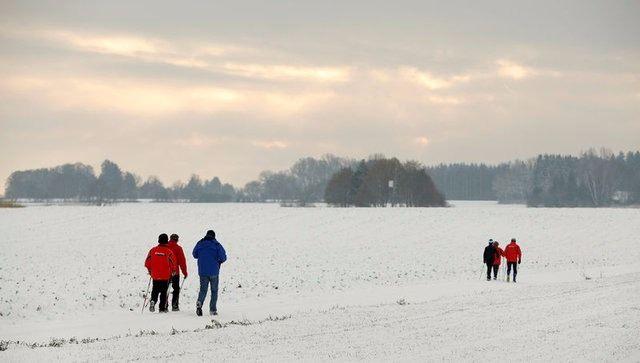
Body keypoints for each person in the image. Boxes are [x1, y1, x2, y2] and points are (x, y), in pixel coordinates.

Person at [193, 229, 227, 316]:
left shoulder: (200, 243)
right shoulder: (217, 245)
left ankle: (199, 302)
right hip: (214, 271)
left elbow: (194, 254)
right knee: (214, 291)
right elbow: (223, 257)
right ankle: (213, 310)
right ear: (214, 236)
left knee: (203, 290)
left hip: (203, 271)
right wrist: (218, 261)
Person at [144, 233, 177, 313]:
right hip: (165, 276)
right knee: (163, 292)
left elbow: (147, 262)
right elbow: (173, 264)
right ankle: (162, 308)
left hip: (155, 275)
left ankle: (153, 301)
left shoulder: (152, 250)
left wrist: (150, 270)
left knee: (155, 290)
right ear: (166, 241)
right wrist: (173, 271)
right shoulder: (169, 252)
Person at [167, 233, 188, 311]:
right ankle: (175, 305)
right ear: (177, 240)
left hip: (165, 272)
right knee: (176, 288)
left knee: (165, 288)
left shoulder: (165, 247)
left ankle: (164, 305)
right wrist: (185, 272)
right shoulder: (178, 248)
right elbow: (182, 261)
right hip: (175, 272)